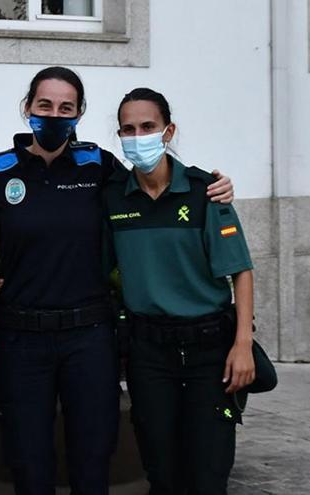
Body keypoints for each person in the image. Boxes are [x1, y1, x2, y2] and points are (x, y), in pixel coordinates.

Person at [0, 68, 235, 495]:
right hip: (21, 339)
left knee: (93, 461)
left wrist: (214, 185)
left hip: (89, 337)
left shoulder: (98, 163)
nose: (55, 115)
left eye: (66, 108)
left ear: (79, 114)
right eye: (45, 106)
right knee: (27, 462)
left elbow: (154, 187)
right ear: (27, 109)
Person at [102, 87, 255, 494]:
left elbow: (240, 270)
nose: (138, 137)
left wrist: (243, 345)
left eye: (148, 126)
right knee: (161, 471)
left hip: (210, 352)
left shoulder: (207, 192)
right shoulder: (113, 197)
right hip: (148, 352)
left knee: (209, 472)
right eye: (128, 129)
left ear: (168, 131)